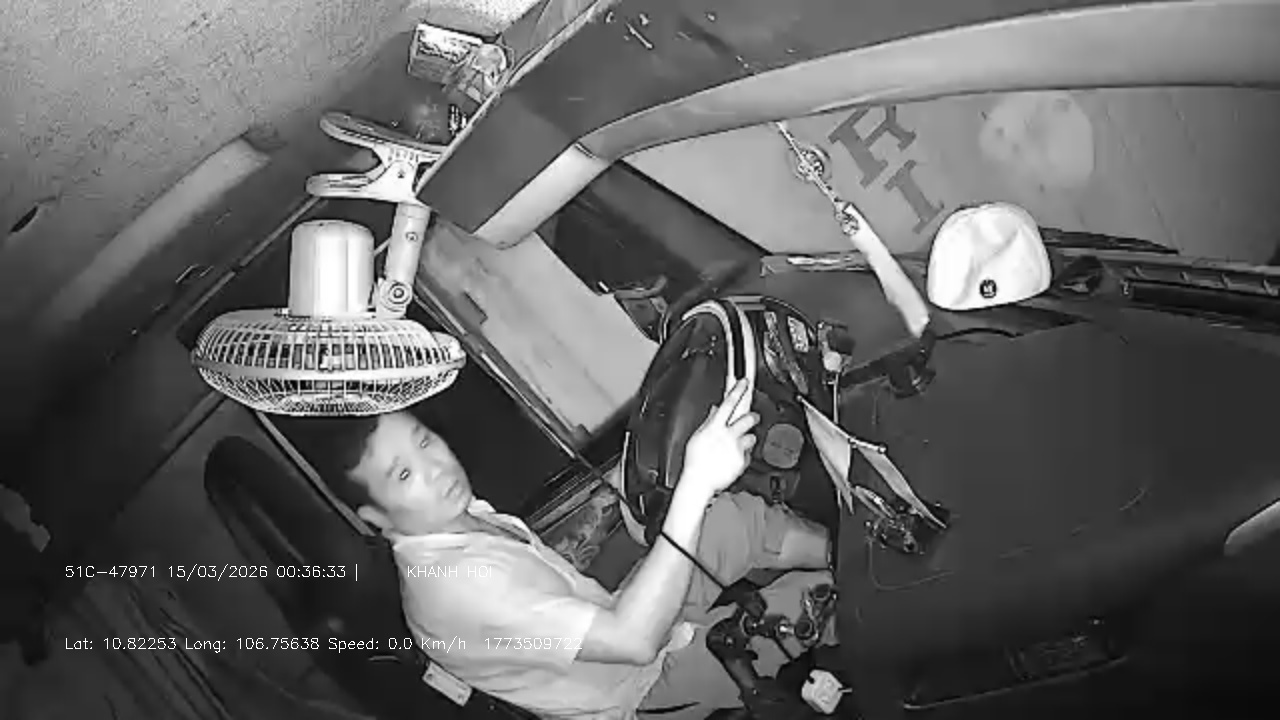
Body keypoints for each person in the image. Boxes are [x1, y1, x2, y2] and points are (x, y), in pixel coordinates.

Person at [322, 380, 832, 720]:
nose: (435, 469)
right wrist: (695, 482)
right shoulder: (458, 589)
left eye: (424, 441)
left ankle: (846, 544)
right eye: (403, 475)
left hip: (621, 619)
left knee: (728, 521)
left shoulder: (456, 518)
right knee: (814, 603)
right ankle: (860, 596)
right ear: (377, 520)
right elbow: (634, 642)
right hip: (639, 690)